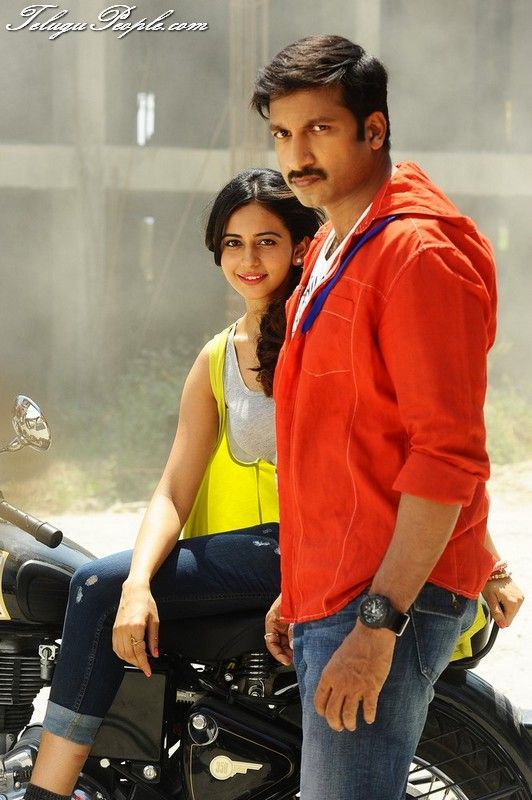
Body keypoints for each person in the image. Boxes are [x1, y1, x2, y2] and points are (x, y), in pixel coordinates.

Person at [253, 35, 525, 799]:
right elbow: (344, 440)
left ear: (374, 129)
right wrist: (301, 587)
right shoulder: (331, 247)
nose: (297, 154)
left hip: (385, 598)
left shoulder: (416, 255)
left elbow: (447, 457)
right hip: (338, 589)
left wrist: (378, 625)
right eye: (282, 132)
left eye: (320, 128)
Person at [23, 168, 322, 800]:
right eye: (234, 243)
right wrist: (137, 584)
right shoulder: (218, 357)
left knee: (92, 586)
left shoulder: (323, 334)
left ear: (300, 246)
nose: (248, 259)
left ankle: (47, 793)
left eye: (266, 241)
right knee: (108, 583)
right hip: (260, 547)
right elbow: (172, 490)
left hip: (308, 547)